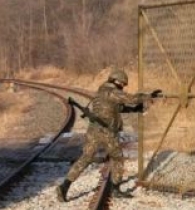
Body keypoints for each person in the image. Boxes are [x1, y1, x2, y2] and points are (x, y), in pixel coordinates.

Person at [56, 69, 153, 202]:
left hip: (93, 130)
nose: (123, 87)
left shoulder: (101, 92)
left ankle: (64, 186)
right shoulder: (112, 92)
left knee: (85, 158)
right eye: (123, 84)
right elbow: (131, 99)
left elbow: (117, 108)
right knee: (117, 158)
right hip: (107, 132)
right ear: (117, 81)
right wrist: (148, 96)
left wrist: (135, 109)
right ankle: (115, 188)